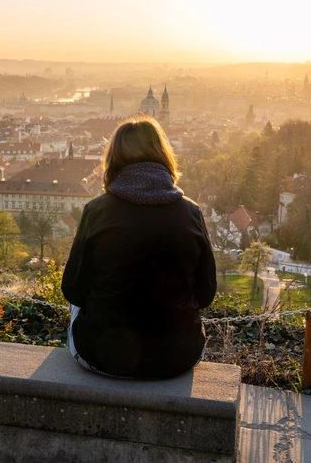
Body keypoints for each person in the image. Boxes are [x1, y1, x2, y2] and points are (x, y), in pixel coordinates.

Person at [62, 116, 217, 379]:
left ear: (114, 159)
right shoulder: (191, 212)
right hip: (178, 358)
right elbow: (205, 295)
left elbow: (73, 290)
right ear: (163, 156)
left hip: (101, 356)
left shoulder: (97, 211)